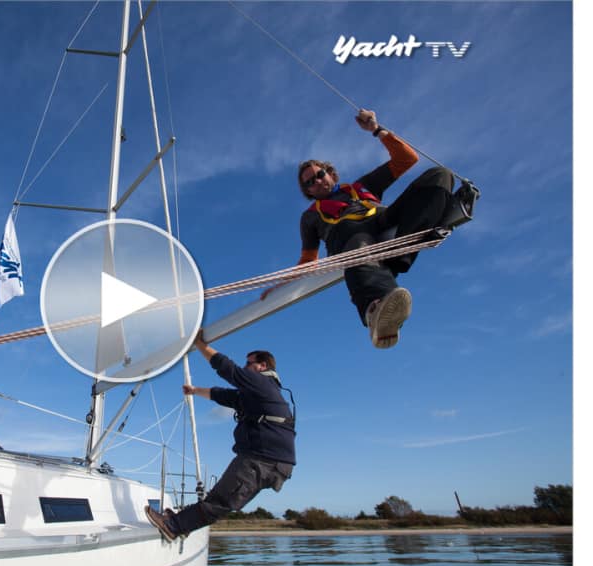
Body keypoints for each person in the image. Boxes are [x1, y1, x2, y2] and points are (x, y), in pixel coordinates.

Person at [261, 109, 456, 349]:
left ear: (330, 174)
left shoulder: (363, 186)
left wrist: (376, 129)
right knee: (353, 243)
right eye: (309, 182)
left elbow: (406, 159)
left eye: (319, 174)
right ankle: (377, 309)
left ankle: (399, 254)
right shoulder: (310, 217)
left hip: (384, 221)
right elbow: (308, 261)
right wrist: (280, 286)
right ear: (308, 192)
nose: (317, 181)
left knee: (440, 175)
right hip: (350, 237)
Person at [144, 329, 295, 541]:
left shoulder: (262, 384)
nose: (245, 367)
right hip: (268, 460)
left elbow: (228, 369)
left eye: (249, 364)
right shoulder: (257, 394)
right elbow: (223, 396)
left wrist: (200, 344)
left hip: (264, 460)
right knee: (220, 497)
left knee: (222, 500)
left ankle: (174, 526)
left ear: (263, 366)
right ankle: (181, 522)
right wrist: (195, 390)